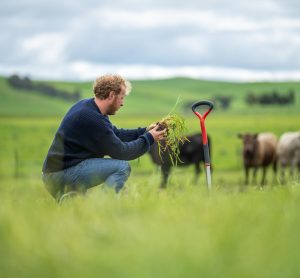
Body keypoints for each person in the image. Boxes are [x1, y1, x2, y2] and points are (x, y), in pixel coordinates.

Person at [42, 74, 166, 202]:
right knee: (122, 167)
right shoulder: (93, 118)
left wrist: (145, 131)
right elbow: (122, 152)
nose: (122, 103)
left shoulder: (88, 107)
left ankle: (70, 199)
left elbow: (116, 134)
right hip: (59, 176)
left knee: (78, 210)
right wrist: (149, 138)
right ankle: (102, 205)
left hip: (58, 172)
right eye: (122, 98)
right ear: (112, 95)